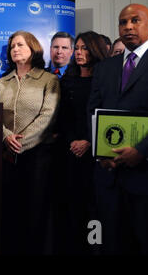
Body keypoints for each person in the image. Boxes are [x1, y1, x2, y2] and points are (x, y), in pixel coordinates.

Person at [88, 4, 148, 254]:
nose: (128, 27)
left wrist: (140, 150)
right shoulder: (105, 68)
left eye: (136, 21)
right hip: (109, 175)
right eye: (123, 22)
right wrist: (101, 152)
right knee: (112, 244)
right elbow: (93, 111)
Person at [0, 30, 60, 254]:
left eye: (20, 45)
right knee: (9, 210)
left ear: (33, 49)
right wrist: (5, 137)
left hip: (37, 157)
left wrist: (21, 142)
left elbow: (48, 116)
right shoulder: (3, 81)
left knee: (34, 211)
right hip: (6, 156)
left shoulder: (48, 80)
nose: (15, 49)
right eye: (12, 46)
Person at [56, 31, 108, 254]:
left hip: (96, 153)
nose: (78, 52)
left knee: (93, 207)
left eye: (84, 48)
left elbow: (107, 115)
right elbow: (62, 117)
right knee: (70, 205)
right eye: (76, 48)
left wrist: (89, 140)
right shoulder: (68, 79)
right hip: (68, 151)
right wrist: (71, 142)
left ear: (95, 50)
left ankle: (93, 248)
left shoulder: (105, 79)